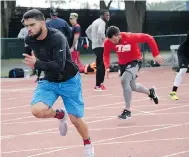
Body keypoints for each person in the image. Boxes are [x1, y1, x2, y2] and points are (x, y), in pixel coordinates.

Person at [22, 9, 94, 157]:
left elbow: (58, 66)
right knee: (37, 110)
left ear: (43, 23)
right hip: (50, 81)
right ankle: (60, 114)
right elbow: (34, 53)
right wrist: (35, 62)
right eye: (26, 25)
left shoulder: (57, 38)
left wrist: (37, 64)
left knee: (76, 119)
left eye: (32, 25)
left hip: (69, 80)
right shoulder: (29, 39)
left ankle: (88, 143)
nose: (29, 29)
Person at [103, 26, 164, 119]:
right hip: (122, 64)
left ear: (118, 35)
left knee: (124, 80)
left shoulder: (130, 37)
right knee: (133, 87)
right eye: (111, 41)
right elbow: (106, 54)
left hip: (135, 61)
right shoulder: (108, 42)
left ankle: (127, 111)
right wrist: (107, 67)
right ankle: (150, 92)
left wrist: (155, 54)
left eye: (115, 40)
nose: (113, 42)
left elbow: (149, 38)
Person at [85, 9, 110, 91]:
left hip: (95, 46)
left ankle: (98, 85)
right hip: (100, 46)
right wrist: (103, 40)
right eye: (106, 15)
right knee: (101, 66)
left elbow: (87, 31)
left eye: (109, 15)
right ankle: (99, 85)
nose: (108, 17)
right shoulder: (102, 23)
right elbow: (100, 32)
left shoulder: (95, 22)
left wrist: (93, 40)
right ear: (102, 15)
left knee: (99, 65)